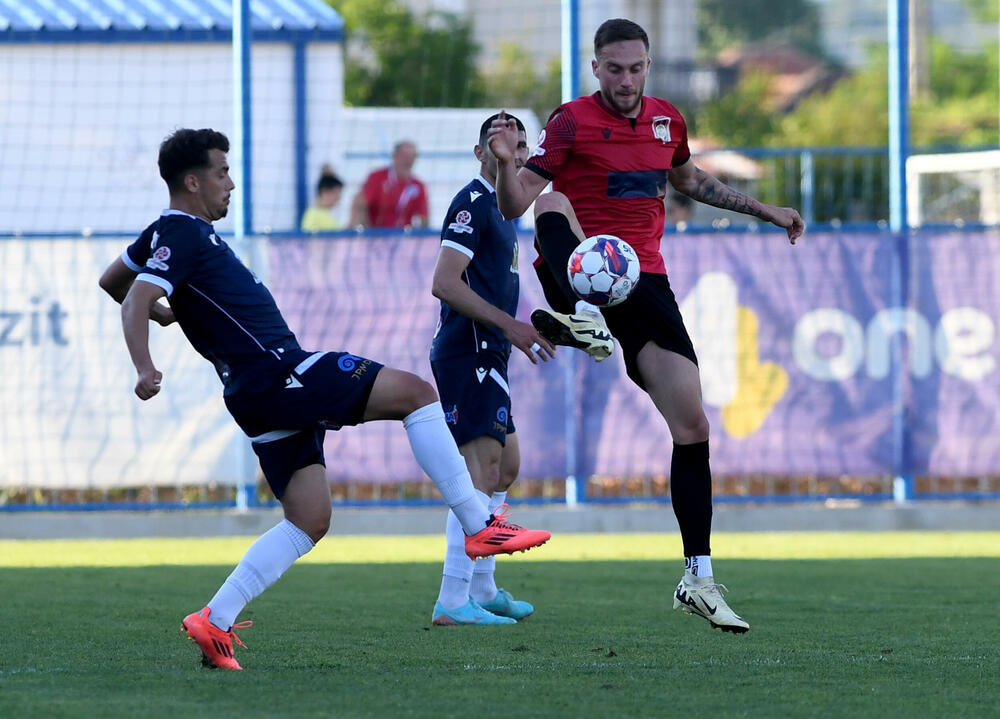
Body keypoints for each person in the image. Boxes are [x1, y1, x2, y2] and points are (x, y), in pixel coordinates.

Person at [98, 128, 551, 670]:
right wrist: (146, 364)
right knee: (415, 394)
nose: (231, 184)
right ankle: (479, 524)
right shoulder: (183, 232)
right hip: (278, 372)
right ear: (192, 182)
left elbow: (113, 281)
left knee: (309, 518)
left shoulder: (162, 233)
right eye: (222, 173)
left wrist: (171, 314)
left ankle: (215, 620)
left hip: (250, 393)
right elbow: (134, 299)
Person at [488, 18, 805, 634]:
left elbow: (690, 181)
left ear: (647, 67)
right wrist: (505, 165)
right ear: (596, 68)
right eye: (615, 69)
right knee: (553, 200)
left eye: (636, 68)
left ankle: (698, 579)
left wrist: (765, 210)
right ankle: (579, 315)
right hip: (577, 266)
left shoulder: (667, 121)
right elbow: (516, 202)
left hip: (645, 283)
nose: (626, 80)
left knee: (693, 425)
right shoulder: (570, 121)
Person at [428, 113, 556, 626]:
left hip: (491, 348)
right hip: (469, 348)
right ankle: (453, 598)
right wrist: (510, 325)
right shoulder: (474, 202)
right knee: (480, 470)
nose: (515, 153)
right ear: (480, 152)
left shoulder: (506, 208)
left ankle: (482, 587)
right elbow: (444, 282)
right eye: (502, 144)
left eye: (522, 145)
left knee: (506, 466)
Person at [349, 140, 429, 229]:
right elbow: (360, 204)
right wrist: (364, 230)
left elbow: (424, 218)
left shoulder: (418, 185)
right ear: (394, 156)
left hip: (404, 235)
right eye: (404, 156)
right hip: (377, 233)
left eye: (412, 156)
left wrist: (420, 235)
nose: (408, 161)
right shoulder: (377, 177)